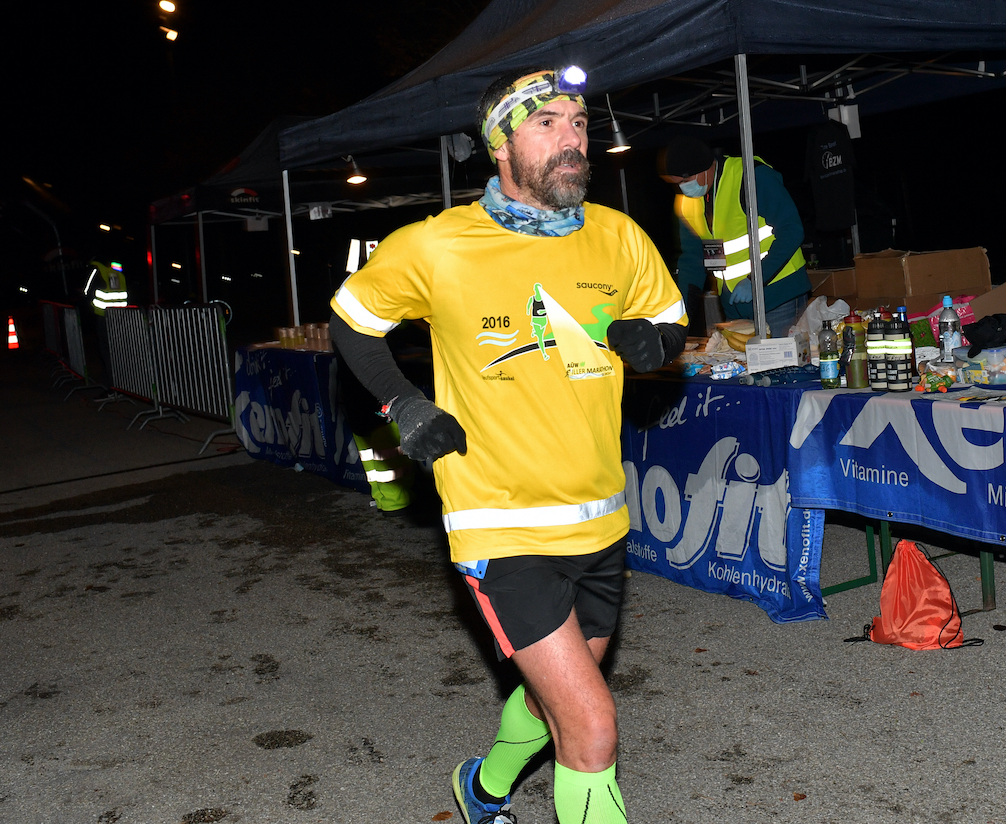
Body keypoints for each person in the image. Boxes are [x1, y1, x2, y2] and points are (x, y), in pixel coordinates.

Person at [328, 66, 686, 824]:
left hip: (600, 519)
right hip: (500, 521)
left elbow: (667, 320)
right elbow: (351, 322)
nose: (573, 141)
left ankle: (482, 788)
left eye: (579, 125)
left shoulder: (618, 235)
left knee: (551, 694)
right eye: (547, 124)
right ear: (500, 145)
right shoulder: (438, 245)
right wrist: (406, 404)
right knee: (591, 729)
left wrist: (652, 344)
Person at [659, 135, 810, 337]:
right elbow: (692, 261)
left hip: (777, 296)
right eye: (677, 183)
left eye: (686, 181)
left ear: (704, 169)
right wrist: (680, 317)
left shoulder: (750, 176)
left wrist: (754, 279)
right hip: (735, 305)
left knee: (780, 365)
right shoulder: (687, 204)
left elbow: (791, 230)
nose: (683, 188)